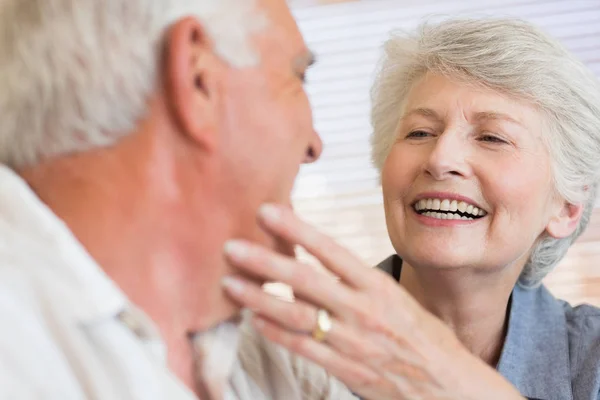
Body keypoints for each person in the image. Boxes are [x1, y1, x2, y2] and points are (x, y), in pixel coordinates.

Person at [222, 18, 600, 400]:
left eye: (492, 137)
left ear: (566, 208)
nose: (440, 158)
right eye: (419, 132)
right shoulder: (274, 354)